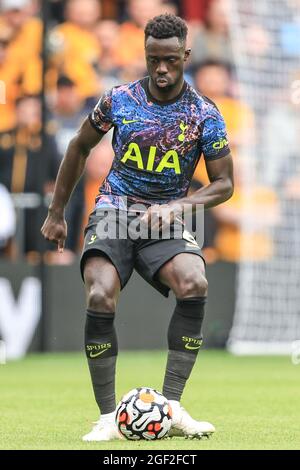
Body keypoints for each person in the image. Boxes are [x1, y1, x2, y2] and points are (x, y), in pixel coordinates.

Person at [41, 14, 234, 441]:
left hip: (165, 216)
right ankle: (109, 417)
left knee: (194, 281)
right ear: (144, 56)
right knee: (99, 293)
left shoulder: (204, 113)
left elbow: (224, 185)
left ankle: (173, 406)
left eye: (169, 60)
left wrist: (179, 206)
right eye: (152, 60)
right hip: (114, 209)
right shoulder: (120, 99)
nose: (161, 70)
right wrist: (57, 213)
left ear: (186, 55)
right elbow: (79, 147)